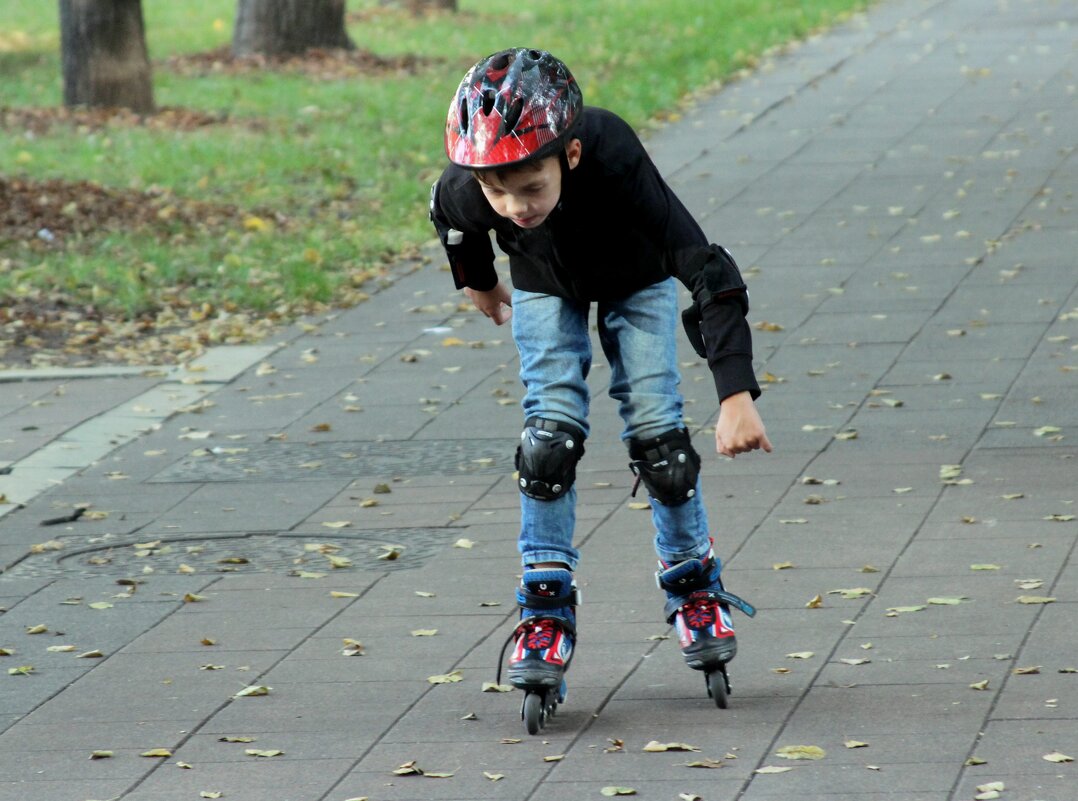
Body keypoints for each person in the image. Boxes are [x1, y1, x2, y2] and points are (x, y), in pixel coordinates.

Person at [429, 48, 772, 711]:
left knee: (661, 440)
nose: (514, 206)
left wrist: (734, 393)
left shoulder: (614, 157)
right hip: (543, 285)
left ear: (572, 156)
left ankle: (695, 588)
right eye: (498, 192)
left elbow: (706, 267)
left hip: (634, 278)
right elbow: (449, 220)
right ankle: (545, 607)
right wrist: (475, 277)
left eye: (531, 188)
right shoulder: (475, 186)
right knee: (548, 439)